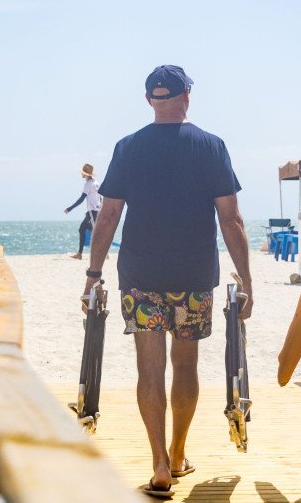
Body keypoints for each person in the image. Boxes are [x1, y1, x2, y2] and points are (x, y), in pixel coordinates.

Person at [82, 65, 253, 499]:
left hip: (140, 275)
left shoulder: (128, 147)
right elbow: (230, 219)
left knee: (150, 368)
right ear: (187, 97)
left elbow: (108, 216)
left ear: (149, 100)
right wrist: (246, 277)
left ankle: (158, 463)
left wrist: (93, 274)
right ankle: (178, 453)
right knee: (185, 365)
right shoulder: (211, 146)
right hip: (193, 276)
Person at [64, 163, 102, 260]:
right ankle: (80, 253)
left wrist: (70, 208)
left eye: (83, 173)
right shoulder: (96, 182)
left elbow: (82, 199)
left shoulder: (88, 184)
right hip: (95, 211)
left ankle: (103, 254)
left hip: (92, 212)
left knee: (95, 233)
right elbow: (100, 197)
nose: (82, 174)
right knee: (83, 230)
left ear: (86, 174)